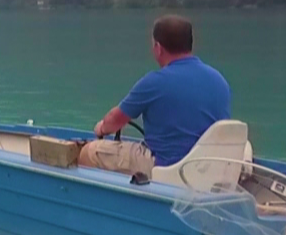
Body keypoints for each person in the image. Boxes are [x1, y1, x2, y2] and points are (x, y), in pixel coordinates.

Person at [81, 14, 232, 175]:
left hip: (167, 167)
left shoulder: (154, 82)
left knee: (89, 152)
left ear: (158, 48)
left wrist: (101, 128)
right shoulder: (219, 80)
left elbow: (114, 121)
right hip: (210, 168)